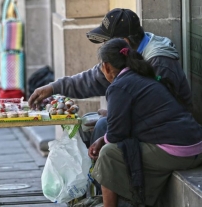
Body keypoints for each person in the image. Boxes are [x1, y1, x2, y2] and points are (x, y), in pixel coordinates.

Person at [28, 8, 192, 146]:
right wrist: (53, 88)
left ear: (123, 42)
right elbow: (93, 79)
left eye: (106, 42)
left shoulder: (160, 62)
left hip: (170, 134)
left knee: (102, 127)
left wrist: (119, 116)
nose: (104, 47)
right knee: (87, 124)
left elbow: (164, 110)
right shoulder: (124, 56)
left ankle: (103, 182)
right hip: (146, 123)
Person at [88, 38, 202, 207]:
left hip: (179, 152)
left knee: (108, 154)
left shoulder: (119, 86)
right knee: (106, 130)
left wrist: (101, 140)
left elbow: (115, 135)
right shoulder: (142, 76)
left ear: (106, 67)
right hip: (196, 144)